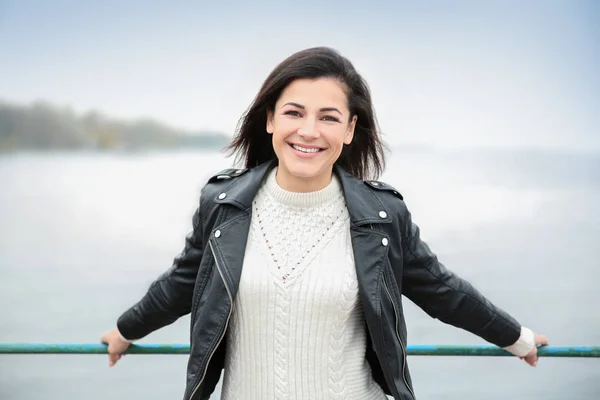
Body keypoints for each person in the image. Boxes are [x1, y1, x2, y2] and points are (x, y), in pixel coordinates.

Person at [101, 46, 549, 400]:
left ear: (350, 129)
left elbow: (442, 291)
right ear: (271, 119)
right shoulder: (223, 206)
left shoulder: (381, 217)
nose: (309, 131)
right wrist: (125, 330)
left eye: (328, 117)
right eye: (294, 112)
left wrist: (518, 338)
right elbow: (182, 283)